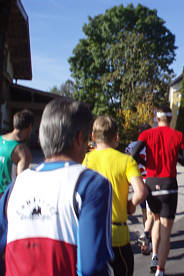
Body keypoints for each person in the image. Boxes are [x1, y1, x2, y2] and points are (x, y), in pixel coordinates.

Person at [0, 98, 114, 276]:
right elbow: (91, 268)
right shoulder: (92, 184)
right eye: (86, 142)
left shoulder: (16, 186)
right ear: (78, 138)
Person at [83, 115, 147, 276]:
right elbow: (141, 192)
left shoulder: (84, 160)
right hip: (117, 233)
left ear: (93, 136)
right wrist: (131, 205)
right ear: (116, 136)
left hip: (92, 231)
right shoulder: (126, 161)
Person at [131, 105, 184, 276]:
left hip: (152, 182)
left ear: (157, 118)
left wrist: (146, 163)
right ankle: (160, 271)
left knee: (155, 220)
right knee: (166, 231)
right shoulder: (179, 136)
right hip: (169, 185)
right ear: (171, 119)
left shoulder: (146, 134)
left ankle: (155, 255)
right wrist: (174, 157)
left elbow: (134, 153)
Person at [125, 123, 153, 255]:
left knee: (143, 211)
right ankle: (149, 238)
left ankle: (147, 236)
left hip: (138, 181)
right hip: (151, 179)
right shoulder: (151, 144)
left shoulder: (131, 146)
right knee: (151, 212)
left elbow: (127, 161)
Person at [0, 109, 34, 198]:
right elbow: (21, 182)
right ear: (30, 127)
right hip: (6, 199)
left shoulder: (0, 140)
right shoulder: (22, 151)